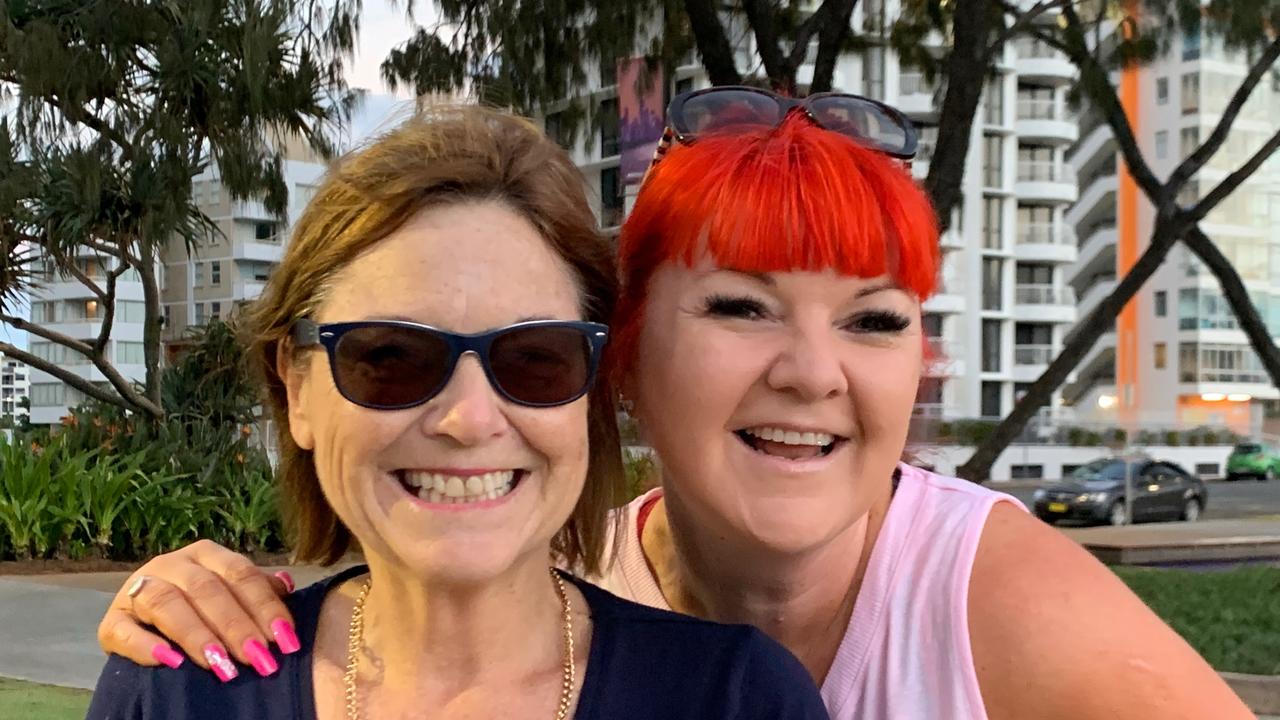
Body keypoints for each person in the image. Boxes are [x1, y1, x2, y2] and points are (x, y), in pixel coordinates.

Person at [96, 87, 1254, 720]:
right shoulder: (574, 562)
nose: (813, 371)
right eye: (744, 308)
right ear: (626, 364)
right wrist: (174, 598)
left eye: (872, 318)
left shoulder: (993, 604)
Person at [84, 104, 828, 720]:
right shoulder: (175, 692)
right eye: (390, 358)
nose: (469, 419)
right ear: (297, 388)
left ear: (593, 391)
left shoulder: (736, 699)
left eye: (536, 358)